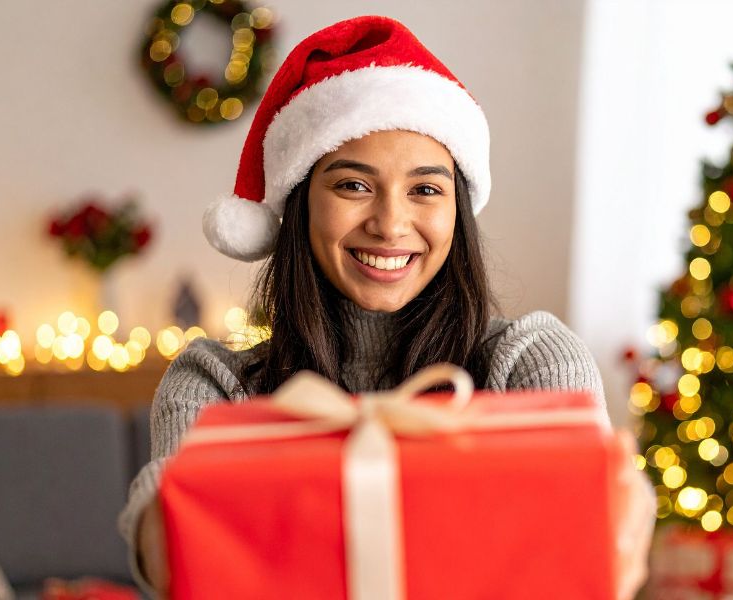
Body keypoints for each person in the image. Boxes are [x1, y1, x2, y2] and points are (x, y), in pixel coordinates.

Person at [117, 15, 613, 596]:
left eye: (426, 189)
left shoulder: (530, 361)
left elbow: (576, 553)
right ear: (302, 204)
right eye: (353, 185)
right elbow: (171, 545)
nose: (390, 224)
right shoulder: (215, 383)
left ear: (458, 212)